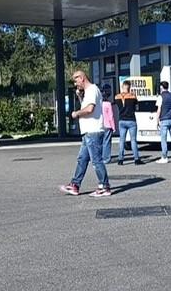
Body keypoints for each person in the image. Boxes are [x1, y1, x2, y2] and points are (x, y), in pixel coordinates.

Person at [59, 69, 112, 197]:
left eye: (76, 80)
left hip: (93, 131)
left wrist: (76, 113)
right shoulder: (88, 92)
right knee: (82, 159)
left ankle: (104, 186)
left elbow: (89, 109)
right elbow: (87, 105)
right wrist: (79, 96)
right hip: (88, 132)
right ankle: (75, 185)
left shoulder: (92, 89)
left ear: (82, 78)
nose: (75, 84)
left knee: (96, 160)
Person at [115, 81, 142, 165]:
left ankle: (120, 160)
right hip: (131, 120)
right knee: (133, 140)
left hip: (122, 120)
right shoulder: (133, 96)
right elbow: (137, 107)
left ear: (122, 87)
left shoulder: (117, 97)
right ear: (129, 87)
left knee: (122, 140)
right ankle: (136, 159)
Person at [155, 80, 171, 163]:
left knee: (164, 139)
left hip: (164, 119)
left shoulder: (160, 97)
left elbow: (159, 110)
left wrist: (157, 120)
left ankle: (164, 157)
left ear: (161, 87)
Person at [100, 96, 116, 163]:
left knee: (99, 142)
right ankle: (106, 158)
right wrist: (113, 127)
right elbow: (111, 116)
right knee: (107, 142)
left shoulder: (98, 104)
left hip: (99, 125)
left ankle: (100, 157)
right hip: (107, 125)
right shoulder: (108, 104)